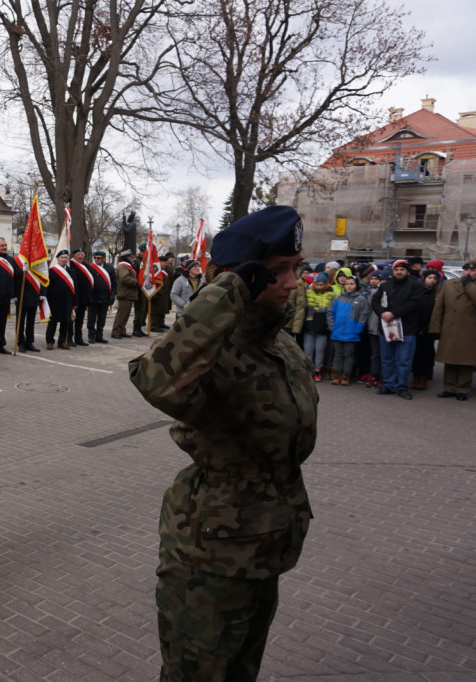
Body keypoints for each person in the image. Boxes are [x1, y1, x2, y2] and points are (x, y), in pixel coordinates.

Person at [130, 205, 317, 682]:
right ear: (243, 278)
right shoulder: (210, 350)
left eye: (296, 268)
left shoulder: (282, 347)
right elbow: (157, 380)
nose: (293, 283)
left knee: (240, 672)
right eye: (277, 272)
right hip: (209, 558)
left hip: (265, 545)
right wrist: (227, 291)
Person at [371, 259, 425, 399]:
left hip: (407, 329)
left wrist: (393, 314)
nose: (399, 272)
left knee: (403, 360)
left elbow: (414, 304)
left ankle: (402, 387)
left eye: (402, 270)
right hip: (387, 328)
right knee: (387, 359)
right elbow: (375, 301)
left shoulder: (416, 285)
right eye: (396, 269)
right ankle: (389, 384)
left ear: (407, 271)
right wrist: (382, 313)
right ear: (393, 271)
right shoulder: (385, 286)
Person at [429, 258, 476, 400]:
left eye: (473, 270)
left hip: (469, 330)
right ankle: (449, 387)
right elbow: (439, 308)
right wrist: (435, 328)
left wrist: (469, 286)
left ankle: (462, 389)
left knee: (466, 361)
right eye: (467, 270)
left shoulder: (472, 286)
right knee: (449, 360)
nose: (469, 273)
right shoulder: (449, 284)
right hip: (450, 328)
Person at [326, 275, 369, 385]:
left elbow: (363, 315)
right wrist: (332, 327)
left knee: (349, 354)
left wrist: (358, 329)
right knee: (338, 353)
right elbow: (330, 313)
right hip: (337, 331)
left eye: (351, 284)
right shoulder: (338, 298)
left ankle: (346, 374)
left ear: (356, 285)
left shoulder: (361, 299)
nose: (349, 286)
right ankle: (338, 373)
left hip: (352, 332)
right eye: (347, 284)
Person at [410, 268, 442, 391]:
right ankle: (415, 376)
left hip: (430, 329)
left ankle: (423, 377)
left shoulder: (438, 294)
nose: (432, 281)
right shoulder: (418, 292)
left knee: (426, 353)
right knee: (416, 352)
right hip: (416, 327)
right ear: (424, 279)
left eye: (434, 279)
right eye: (430, 278)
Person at [303, 272, 334, 381]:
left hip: (322, 326)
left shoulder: (331, 294)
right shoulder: (308, 293)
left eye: (322, 284)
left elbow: (330, 312)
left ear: (326, 284)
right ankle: (308, 369)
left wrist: (328, 325)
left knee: (320, 349)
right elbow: (306, 310)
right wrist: (307, 323)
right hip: (309, 324)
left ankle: (318, 369)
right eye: (317, 284)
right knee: (308, 349)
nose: (319, 287)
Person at [45, 250, 76, 350]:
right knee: (52, 322)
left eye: (66, 257)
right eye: (62, 257)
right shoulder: (51, 271)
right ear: (57, 259)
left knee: (65, 322)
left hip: (67, 301)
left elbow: (76, 288)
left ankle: (62, 341)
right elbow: (47, 288)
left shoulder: (71, 271)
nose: (64, 259)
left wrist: (75, 302)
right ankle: (50, 342)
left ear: (68, 259)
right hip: (54, 301)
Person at [111, 249, 142, 339]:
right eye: (130, 257)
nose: (132, 258)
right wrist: (136, 282)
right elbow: (124, 278)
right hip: (125, 293)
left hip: (128, 293)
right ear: (126, 258)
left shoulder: (127, 266)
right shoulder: (123, 267)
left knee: (125, 314)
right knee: (122, 314)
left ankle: (121, 330)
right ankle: (116, 331)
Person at [86, 250, 114, 343]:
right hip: (94, 298)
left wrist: (113, 295)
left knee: (102, 319)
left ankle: (99, 336)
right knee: (91, 318)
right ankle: (91, 335)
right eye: (95, 258)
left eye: (98, 258)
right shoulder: (91, 268)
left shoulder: (109, 268)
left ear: (104, 259)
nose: (96, 260)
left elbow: (114, 283)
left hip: (105, 298)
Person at [70, 247, 93, 345]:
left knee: (80, 320)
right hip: (73, 298)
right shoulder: (70, 265)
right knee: (71, 320)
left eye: (82, 254)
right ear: (74, 255)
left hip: (83, 298)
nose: (81, 256)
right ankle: (69, 339)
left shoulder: (86, 266)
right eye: (78, 254)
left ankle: (78, 338)